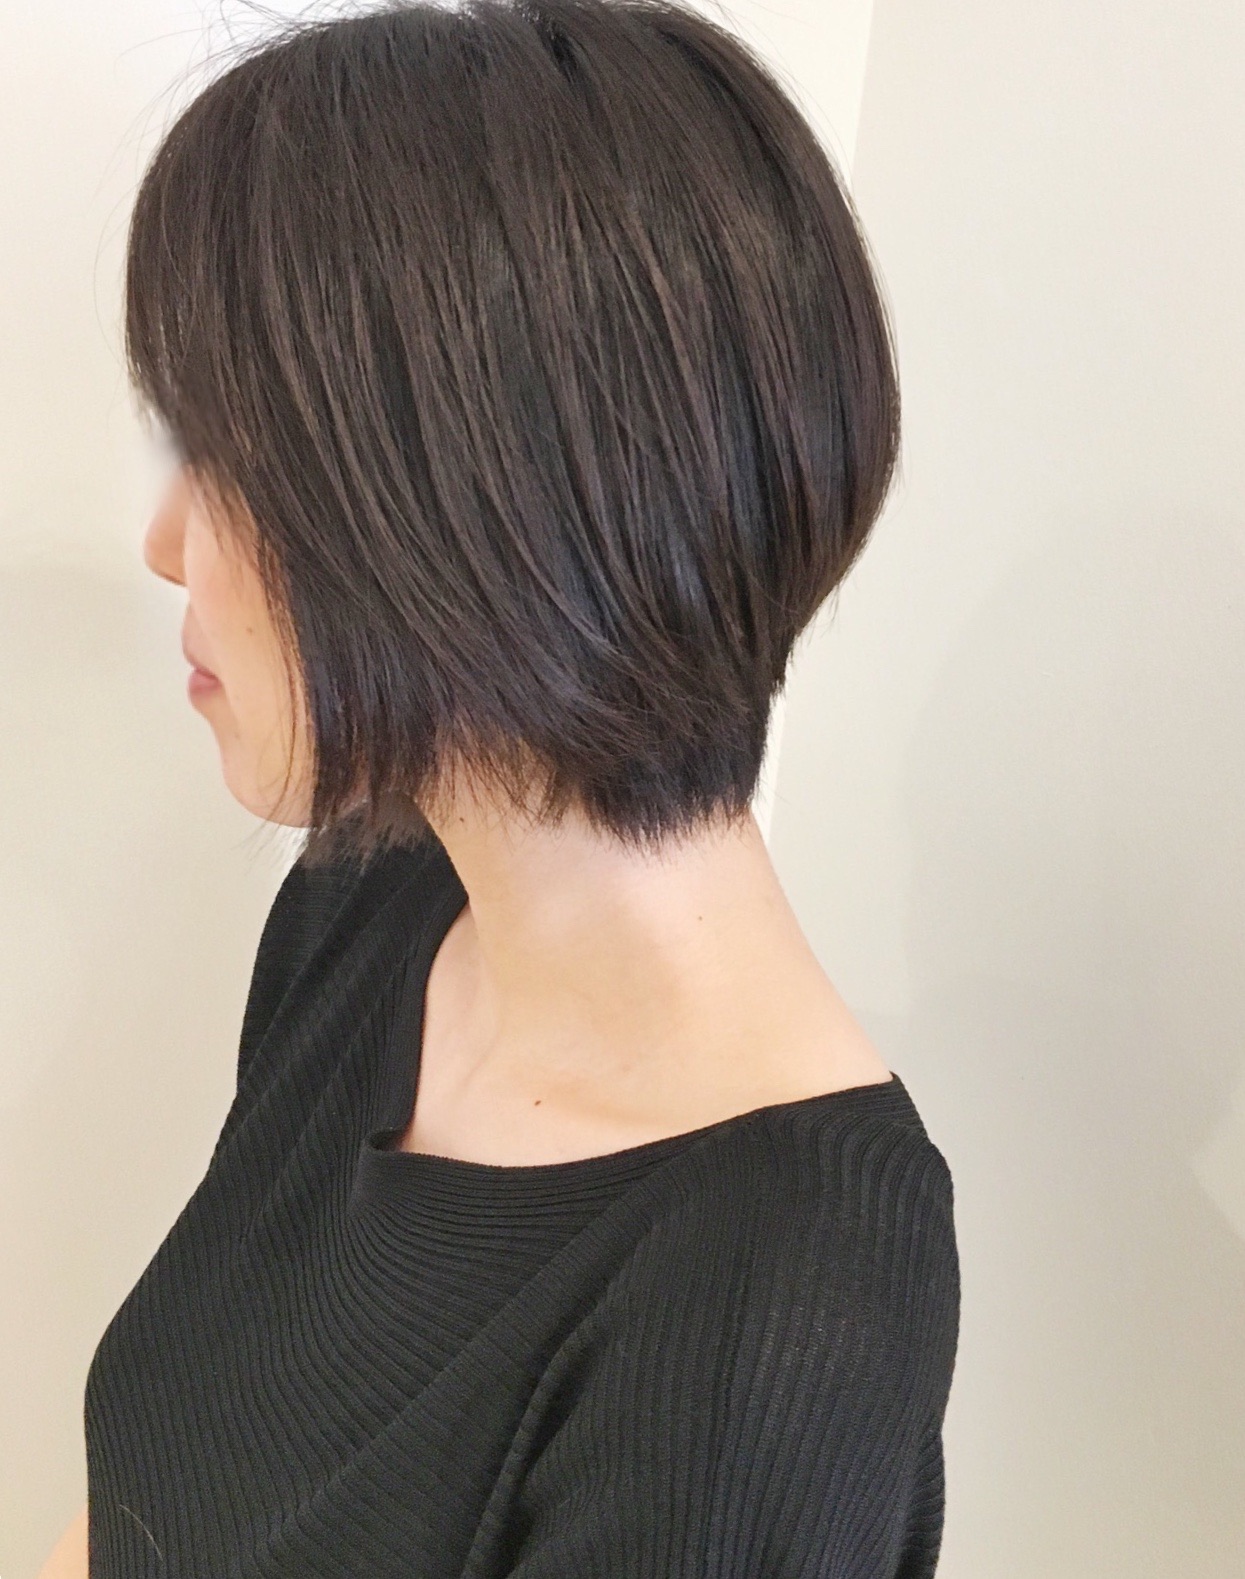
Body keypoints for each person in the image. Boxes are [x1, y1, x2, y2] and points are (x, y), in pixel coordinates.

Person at [39, 1, 959, 1573]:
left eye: (229, 462)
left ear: (472, 507)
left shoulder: (771, 1310)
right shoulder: (374, 907)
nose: (167, 545)